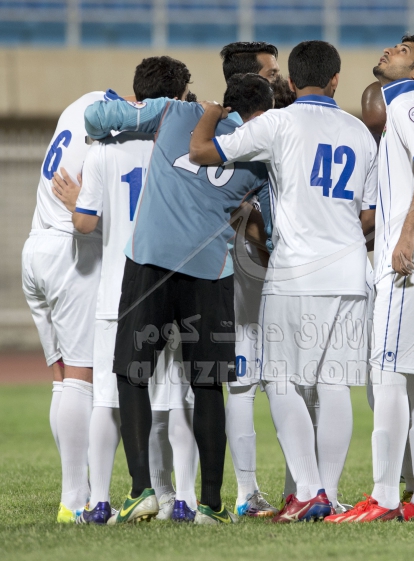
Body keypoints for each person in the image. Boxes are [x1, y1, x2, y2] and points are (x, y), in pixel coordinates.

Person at [190, 40, 377, 522]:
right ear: (336, 80)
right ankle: (328, 494)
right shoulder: (359, 132)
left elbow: (203, 152)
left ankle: (308, 491)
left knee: (279, 379)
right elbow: (370, 215)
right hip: (351, 271)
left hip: (296, 271)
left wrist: (211, 112)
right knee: (335, 385)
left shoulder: (278, 122)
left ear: (291, 81)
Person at [83, 73, 274, 524]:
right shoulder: (263, 157)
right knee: (207, 383)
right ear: (263, 114)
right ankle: (211, 504)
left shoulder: (174, 110)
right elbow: (266, 231)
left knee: (132, 374)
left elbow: (95, 118)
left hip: (149, 261)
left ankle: (141, 491)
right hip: (209, 271)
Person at [51, 56, 200, 524]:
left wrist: (78, 204)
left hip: (117, 290)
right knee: (177, 399)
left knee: (108, 399)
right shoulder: (184, 151)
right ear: (174, 99)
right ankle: (184, 500)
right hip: (173, 286)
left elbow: (84, 224)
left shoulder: (104, 150)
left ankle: (99, 502)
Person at [329, 35, 414, 524]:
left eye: (403, 50)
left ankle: (384, 498)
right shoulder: (402, 105)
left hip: (413, 261)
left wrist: (405, 235)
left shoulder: (408, 103)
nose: (389, 50)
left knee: (386, 374)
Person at [21, 85, 129, 522]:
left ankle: (77, 491)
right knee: (83, 381)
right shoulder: (114, 125)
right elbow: (92, 212)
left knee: (62, 380)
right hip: (70, 254)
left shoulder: (78, 104)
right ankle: (74, 500)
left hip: (36, 248)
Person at [218, 42, 284, 519]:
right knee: (280, 376)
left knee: (242, 378)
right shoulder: (261, 134)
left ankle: (245, 491)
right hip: (254, 266)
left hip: (222, 269)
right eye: (271, 72)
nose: (279, 78)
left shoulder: (211, 130)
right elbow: (257, 215)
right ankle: (294, 489)